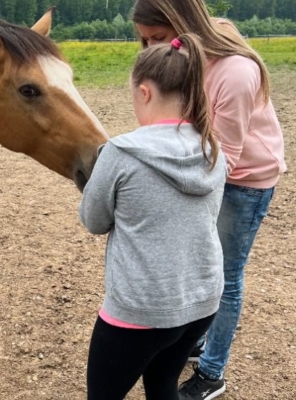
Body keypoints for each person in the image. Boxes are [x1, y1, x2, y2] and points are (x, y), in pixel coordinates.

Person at [132, 1, 287, 399]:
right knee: (199, 265)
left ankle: (212, 372)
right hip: (206, 169)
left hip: (244, 179)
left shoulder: (234, 72)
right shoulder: (180, 57)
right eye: (144, 40)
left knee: (225, 277)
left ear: (182, 26)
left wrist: (167, 182)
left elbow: (228, 157)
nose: (150, 49)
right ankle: (197, 339)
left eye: (157, 38)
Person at [79, 33, 227, 400]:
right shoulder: (212, 149)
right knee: (162, 386)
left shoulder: (120, 153)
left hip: (141, 308)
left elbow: (94, 221)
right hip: (202, 300)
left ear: (144, 92)